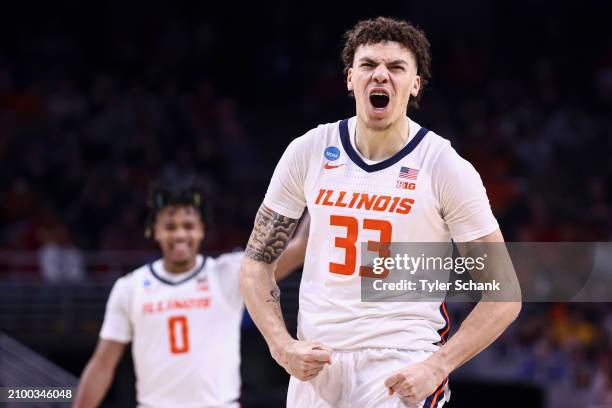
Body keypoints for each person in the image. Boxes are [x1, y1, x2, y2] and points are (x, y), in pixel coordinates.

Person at [239, 17, 521, 408]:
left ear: (416, 84)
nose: (381, 76)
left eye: (397, 67)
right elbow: (255, 264)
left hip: (401, 363)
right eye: (369, 65)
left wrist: (436, 368)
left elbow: (504, 295)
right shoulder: (308, 150)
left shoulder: (444, 165)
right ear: (350, 78)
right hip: (318, 365)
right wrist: (282, 346)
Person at [74, 177, 309, 408]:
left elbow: (299, 248)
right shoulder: (129, 287)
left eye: (188, 226)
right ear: (153, 231)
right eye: (169, 226)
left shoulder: (227, 273)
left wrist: (315, 187)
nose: (179, 235)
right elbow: (102, 365)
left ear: (202, 231)